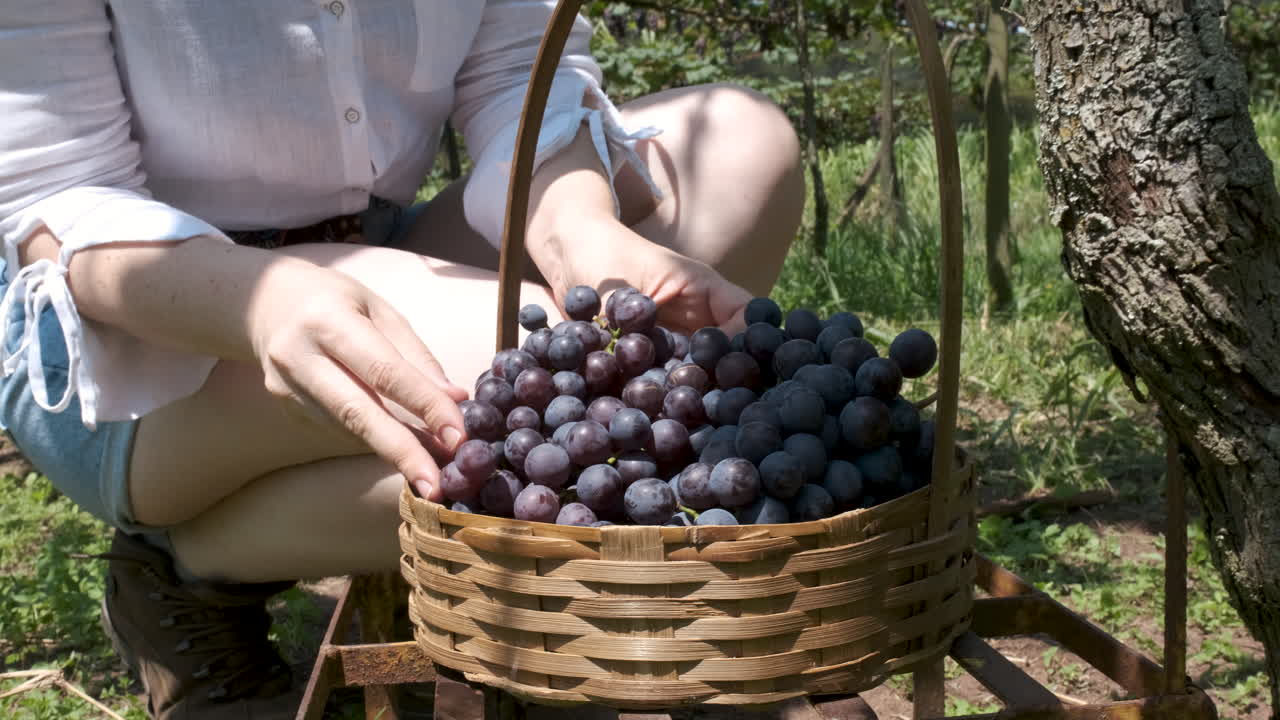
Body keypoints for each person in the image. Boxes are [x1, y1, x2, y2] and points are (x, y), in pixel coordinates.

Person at [0, 2, 803, 717]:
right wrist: (260, 304)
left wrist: (582, 239)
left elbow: (517, 74)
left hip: (370, 239)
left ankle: (214, 541)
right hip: (125, 322)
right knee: (533, 401)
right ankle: (184, 552)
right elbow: (52, 197)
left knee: (740, 151)